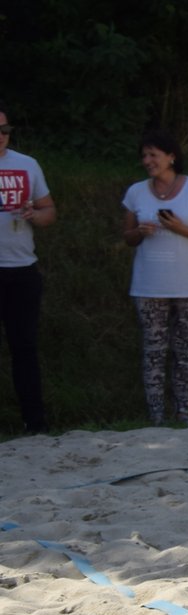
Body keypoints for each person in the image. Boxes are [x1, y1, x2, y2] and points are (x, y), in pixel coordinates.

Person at [120, 130, 188, 426]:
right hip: (149, 286)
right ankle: (156, 416)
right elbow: (127, 237)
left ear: (171, 157)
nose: (147, 161)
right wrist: (139, 232)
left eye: (153, 155)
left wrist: (181, 229)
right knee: (153, 351)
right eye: (144, 156)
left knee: (184, 350)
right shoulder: (136, 192)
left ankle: (183, 411)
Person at [0, 104, 57, 435]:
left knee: (24, 347)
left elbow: (50, 210)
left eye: (5, 130)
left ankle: (35, 424)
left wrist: (36, 214)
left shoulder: (27, 164)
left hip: (22, 268)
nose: (1, 136)